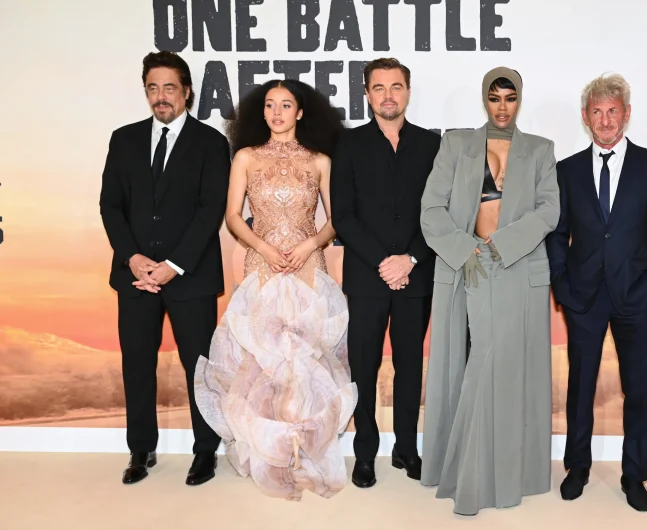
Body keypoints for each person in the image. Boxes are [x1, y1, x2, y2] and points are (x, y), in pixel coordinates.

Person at [193, 78, 357, 501]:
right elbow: (233, 216)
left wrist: (309, 245)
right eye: (270, 105)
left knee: (306, 358)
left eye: (286, 105)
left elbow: (337, 219)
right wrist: (263, 247)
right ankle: (269, 455)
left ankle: (304, 451)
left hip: (308, 264)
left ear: (300, 112)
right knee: (262, 361)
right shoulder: (246, 157)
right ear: (261, 111)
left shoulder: (320, 160)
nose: (277, 112)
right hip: (261, 263)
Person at [419, 67, 559, 516]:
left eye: (510, 98)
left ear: (520, 100)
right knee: (476, 360)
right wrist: (465, 249)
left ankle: (502, 474)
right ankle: (466, 471)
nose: (502, 107)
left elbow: (549, 210)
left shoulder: (540, 149)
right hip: (469, 264)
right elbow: (431, 208)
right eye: (495, 98)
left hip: (517, 266)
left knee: (508, 367)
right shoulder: (456, 145)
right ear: (485, 99)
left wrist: (504, 244)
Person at [545, 73, 647, 512]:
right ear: (586, 117)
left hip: (636, 296)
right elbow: (556, 234)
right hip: (582, 296)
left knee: (637, 389)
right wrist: (561, 284)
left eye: (613, 111)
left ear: (626, 114)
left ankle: (634, 475)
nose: (605, 120)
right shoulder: (566, 170)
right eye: (597, 112)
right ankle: (577, 468)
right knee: (580, 386)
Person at [99, 51, 230, 485]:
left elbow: (210, 210)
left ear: (186, 91)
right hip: (135, 276)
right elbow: (110, 206)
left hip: (190, 276)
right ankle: (141, 450)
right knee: (137, 364)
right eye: (152, 88)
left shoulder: (211, 143)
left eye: (169, 87)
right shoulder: (123, 139)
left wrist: (174, 265)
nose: (161, 96)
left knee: (199, 368)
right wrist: (133, 258)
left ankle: (205, 451)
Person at [329, 58, 440, 488]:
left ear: (407, 92)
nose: (388, 95)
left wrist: (409, 259)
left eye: (396, 87)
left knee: (410, 365)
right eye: (379, 87)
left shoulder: (432, 145)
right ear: (367, 94)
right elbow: (344, 215)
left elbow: (441, 212)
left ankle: (407, 449)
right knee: (364, 366)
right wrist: (385, 262)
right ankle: (365, 453)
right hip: (366, 277)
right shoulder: (349, 144)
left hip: (416, 276)